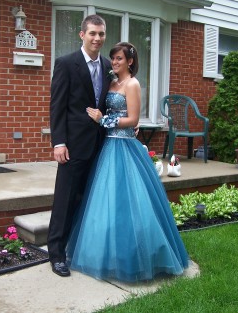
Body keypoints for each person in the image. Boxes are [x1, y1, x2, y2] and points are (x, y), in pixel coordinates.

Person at [66, 42, 190, 282]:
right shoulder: (112, 82)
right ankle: (106, 256)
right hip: (108, 146)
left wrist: (103, 120)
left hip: (124, 147)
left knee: (131, 203)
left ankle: (139, 257)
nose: (115, 62)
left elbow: (133, 118)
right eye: (113, 58)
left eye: (120, 59)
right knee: (106, 203)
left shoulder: (132, 84)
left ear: (130, 61)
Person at [48, 14, 112, 277]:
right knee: (65, 199)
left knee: (88, 198)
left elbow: (110, 102)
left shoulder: (109, 65)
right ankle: (56, 254)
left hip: (101, 145)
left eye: (101, 34)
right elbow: (57, 106)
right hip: (73, 145)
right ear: (82, 35)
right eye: (92, 33)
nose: (97, 38)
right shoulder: (66, 64)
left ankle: (78, 248)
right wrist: (59, 142)